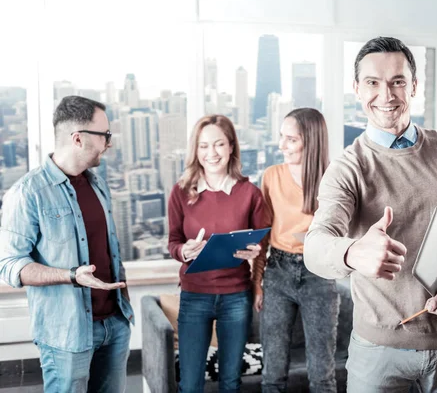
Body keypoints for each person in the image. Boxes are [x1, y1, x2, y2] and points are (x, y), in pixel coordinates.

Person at [304, 37, 437, 393]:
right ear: (357, 89)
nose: (386, 95)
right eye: (372, 82)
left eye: (397, 81)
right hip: (378, 354)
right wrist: (353, 253)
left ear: (413, 87)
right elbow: (315, 246)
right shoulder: (347, 167)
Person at [0, 95, 134, 393]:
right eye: (105, 135)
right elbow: (9, 266)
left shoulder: (98, 183)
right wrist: (71, 275)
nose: (109, 143)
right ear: (78, 138)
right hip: (66, 335)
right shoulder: (27, 193)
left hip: (114, 324)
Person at [167, 114, 267, 393]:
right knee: (189, 384)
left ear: (232, 147)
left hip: (236, 297)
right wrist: (183, 251)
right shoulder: (180, 192)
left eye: (219, 145)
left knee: (230, 382)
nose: (212, 153)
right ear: (195, 150)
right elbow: (173, 241)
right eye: (203, 146)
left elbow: (260, 246)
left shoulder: (250, 194)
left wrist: (254, 251)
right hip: (194, 296)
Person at [256, 108, 340, 393]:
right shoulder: (271, 176)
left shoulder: (334, 178)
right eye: (282, 137)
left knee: (321, 372)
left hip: (319, 273)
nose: (281, 146)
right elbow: (263, 235)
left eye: (290, 140)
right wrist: (257, 283)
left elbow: (345, 233)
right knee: (273, 370)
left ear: (311, 141)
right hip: (277, 272)